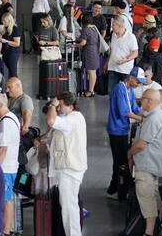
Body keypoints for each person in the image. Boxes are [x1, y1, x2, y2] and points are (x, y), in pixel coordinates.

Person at [128, 89, 162, 236]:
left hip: (146, 165)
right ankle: (161, 226)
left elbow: (141, 144)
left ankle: (149, 232)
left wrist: (130, 153)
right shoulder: (159, 116)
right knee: (154, 196)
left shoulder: (153, 119)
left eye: (143, 98)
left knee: (146, 199)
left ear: (150, 101)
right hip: (154, 165)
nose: (141, 101)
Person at [46, 92, 88, 236]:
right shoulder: (74, 117)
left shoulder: (72, 120)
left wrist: (52, 104)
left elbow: (51, 121)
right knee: (70, 207)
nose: (58, 109)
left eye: (60, 105)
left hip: (70, 170)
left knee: (69, 209)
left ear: (70, 105)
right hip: (69, 168)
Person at [107, 66, 144, 201]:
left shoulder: (130, 90)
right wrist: (141, 119)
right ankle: (114, 188)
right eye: (137, 82)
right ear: (131, 78)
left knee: (122, 159)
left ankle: (116, 187)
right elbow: (124, 111)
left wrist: (146, 113)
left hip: (124, 129)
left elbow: (134, 107)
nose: (138, 85)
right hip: (116, 130)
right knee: (119, 160)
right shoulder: (119, 89)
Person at [0, 92, 20, 234]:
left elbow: (3, 149)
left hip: (5, 168)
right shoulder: (11, 118)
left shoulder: (6, 123)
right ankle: (6, 229)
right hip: (9, 167)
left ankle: (6, 231)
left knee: (5, 200)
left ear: (1, 105)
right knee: (7, 198)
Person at [106, 16, 139, 93]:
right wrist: (107, 62)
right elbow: (112, 50)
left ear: (120, 26)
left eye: (113, 25)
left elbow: (135, 53)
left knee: (125, 92)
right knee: (111, 92)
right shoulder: (113, 35)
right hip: (112, 68)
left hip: (125, 70)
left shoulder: (131, 37)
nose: (112, 27)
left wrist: (125, 60)